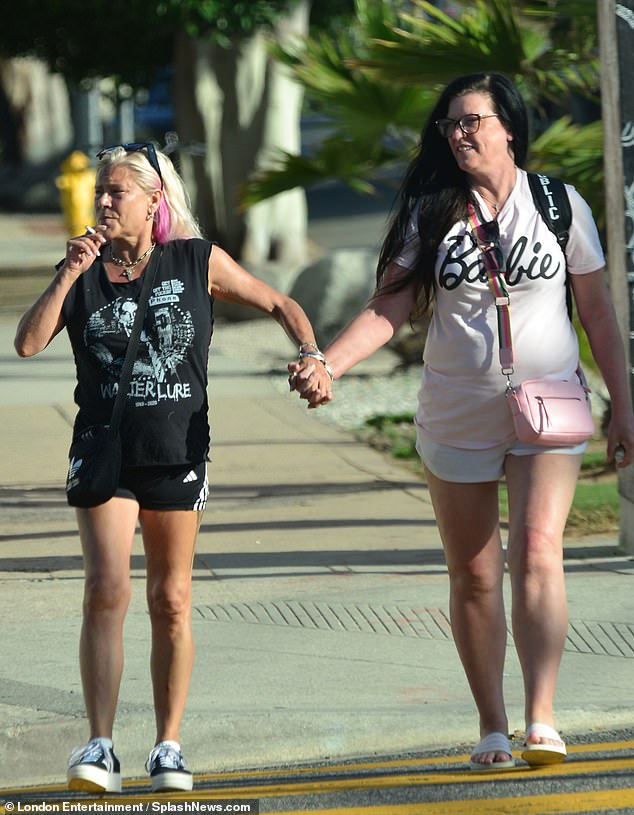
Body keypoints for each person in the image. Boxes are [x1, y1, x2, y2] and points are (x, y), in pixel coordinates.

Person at [288, 73, 634, 770]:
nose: (459, 133)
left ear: (509, 127)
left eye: (473, 120)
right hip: (457, 410)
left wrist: (624, 407)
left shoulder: (559, 205)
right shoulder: (432, 211)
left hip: (548, 406)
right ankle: (493, 726)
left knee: (538, 549)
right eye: (451, 124)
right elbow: (388, 307)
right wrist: (330, 363)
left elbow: (596, 313)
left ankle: (542, 717)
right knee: (475, 574)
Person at [14, 142, 332, 793]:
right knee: (107, 589)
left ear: (154, 201)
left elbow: (278, 302)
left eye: (117, 192)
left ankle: (168, 744)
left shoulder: (195, 259)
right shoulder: (83, 269)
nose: (103, 202)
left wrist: (311, 352)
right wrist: (68, 272)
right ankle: (100, 743)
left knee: (172, 597)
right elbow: (25, 341)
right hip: (104, 452)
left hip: (176, 452)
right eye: (101, 191)